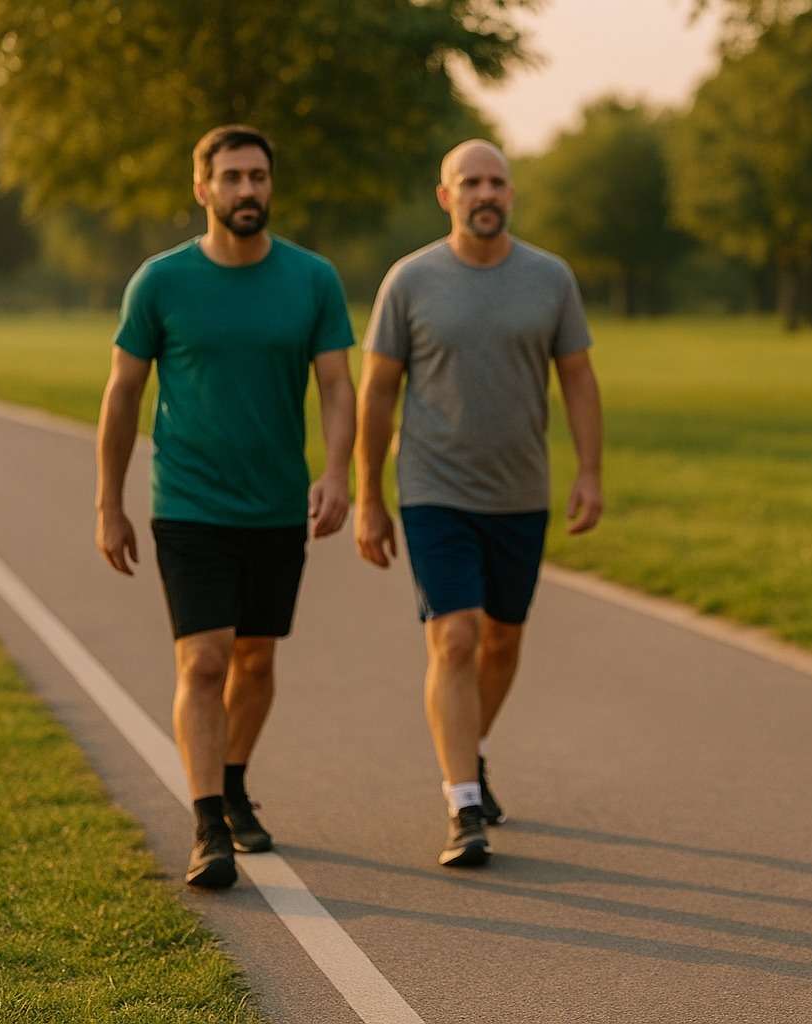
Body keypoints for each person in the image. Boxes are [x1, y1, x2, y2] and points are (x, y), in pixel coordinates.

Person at [95, 124, 356, 889]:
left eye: (258, 177)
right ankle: (208, 823)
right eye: (233, 177)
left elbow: (337, 384)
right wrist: (108, 502)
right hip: (190, 503)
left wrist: (337, 473)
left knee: (255, 658)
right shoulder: (161, 282)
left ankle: (234, 782)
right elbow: (122, 393)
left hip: (276, 505)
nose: (248, 191)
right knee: (204, 660)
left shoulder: (311, 279)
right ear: (202, 188)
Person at [354, 139, 603, 869]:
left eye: (496, 181)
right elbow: (376, 393)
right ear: (446, 195)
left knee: (502, 640)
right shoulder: (410, 280)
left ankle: (472, 749)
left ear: (510, 194)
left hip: (519, 491)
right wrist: (370, 495)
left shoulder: (549, 278)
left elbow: (579, 379)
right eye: (470, 182)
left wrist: (589, 472)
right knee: (455, 637)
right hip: (433, 488)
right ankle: (463, 804)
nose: (484, 193)